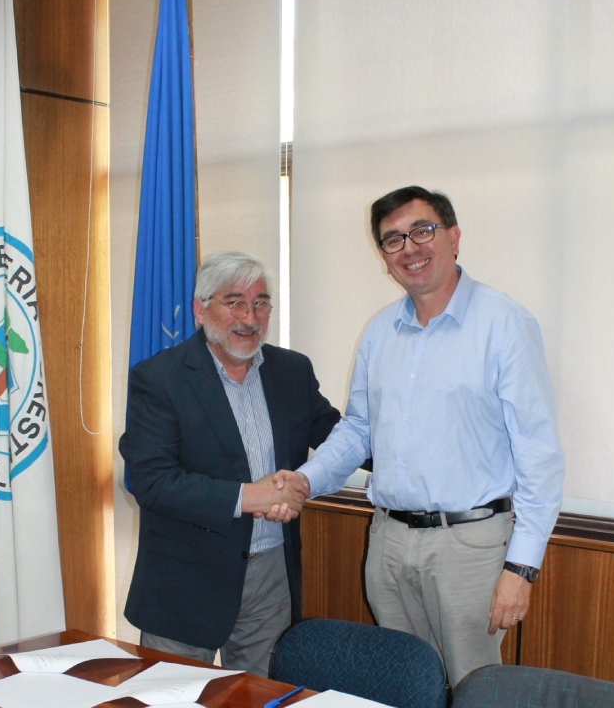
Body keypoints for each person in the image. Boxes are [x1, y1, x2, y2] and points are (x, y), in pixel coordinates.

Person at [280, 186, 564, 687]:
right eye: (393, 240)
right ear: (384, 259)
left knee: (473, 688)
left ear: (453, 238)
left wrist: (521, 570)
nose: (409, 247)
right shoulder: (379, 332)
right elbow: (359, 430)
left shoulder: (505, 325)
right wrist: (304, 481)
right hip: (388, 541)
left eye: (421, 231)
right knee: (402, 684)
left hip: (470, 547)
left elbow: (538, 455)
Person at [121, 250, 339, 676]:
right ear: (201, 310)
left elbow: (338, 438)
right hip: (186, 578)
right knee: (175, 696)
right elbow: (152, 482)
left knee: (258, 695)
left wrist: (404, 449)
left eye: (261, 303)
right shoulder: (160, 378)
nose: (250, 317)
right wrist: (251, 496)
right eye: (235, 301)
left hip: (270, 574)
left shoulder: (292, 371)